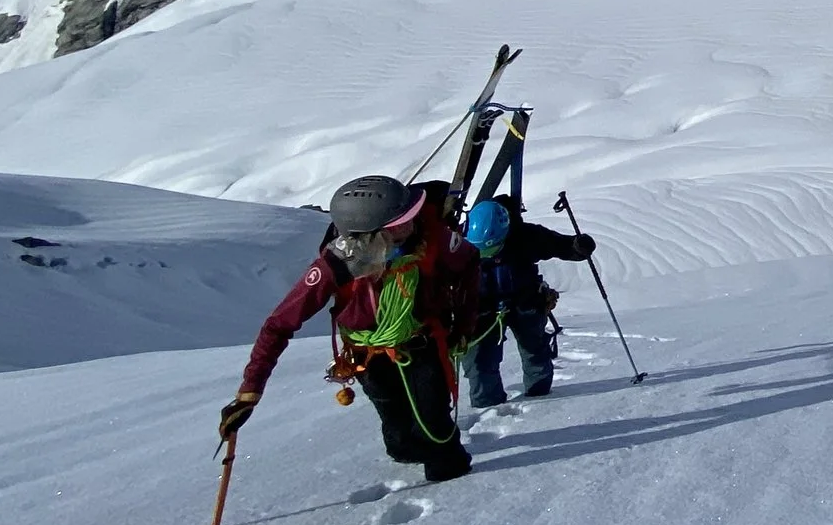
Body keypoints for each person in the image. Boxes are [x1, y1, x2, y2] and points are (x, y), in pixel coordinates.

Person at [218, 173, 480, 483]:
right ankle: (416, 449)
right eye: (400, 222)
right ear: (369, 235)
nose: (413, 223)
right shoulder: (336, 264)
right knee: (398, 438)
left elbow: (469, 262)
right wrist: (250, 391)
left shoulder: (431, 238)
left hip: (420, 343)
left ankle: (452, 476)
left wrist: (463, 325)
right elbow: (279, 325)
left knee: (434, 428)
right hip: (367, 354)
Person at [458, 195, 595, 407]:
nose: (487, 255)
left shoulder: (524, 236)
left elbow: (559, 245)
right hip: (482, 309)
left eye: (492, 248)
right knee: (479, 361)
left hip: (525, 301)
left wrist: (578, 247)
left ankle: (540, 402)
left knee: (535, 350)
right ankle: (487, 408)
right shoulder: (458, 240)